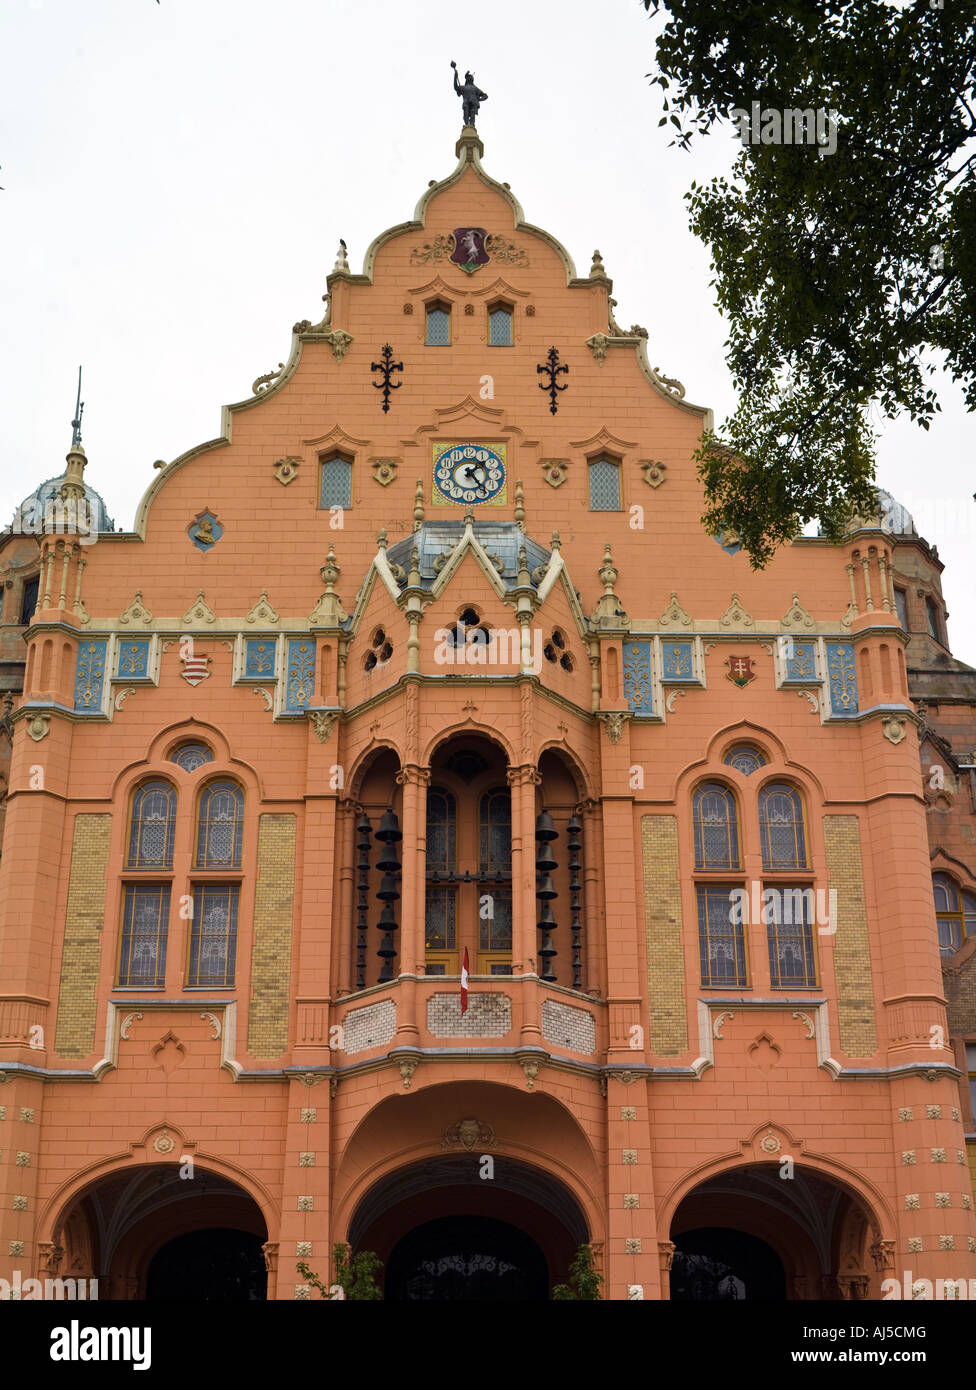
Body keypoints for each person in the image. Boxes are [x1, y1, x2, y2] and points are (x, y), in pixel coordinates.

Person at [451, 61, 488, 126]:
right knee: (466, 113)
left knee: (472, 113)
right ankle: (467, 126)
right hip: (466, 103)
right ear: (467, 79)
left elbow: (485, 96)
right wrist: (455, 77)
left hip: (474, 103)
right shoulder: (463, 87)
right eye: (470, 77)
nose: (471, 78)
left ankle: (471, 126)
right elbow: (456, 87)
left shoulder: (475, 88)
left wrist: (479, 99)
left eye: (471, 77)